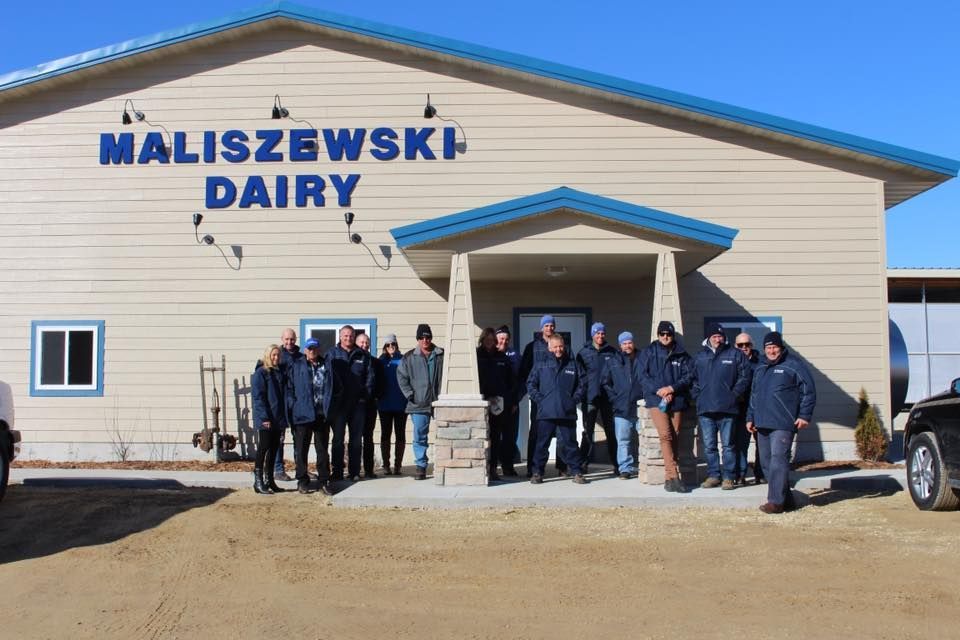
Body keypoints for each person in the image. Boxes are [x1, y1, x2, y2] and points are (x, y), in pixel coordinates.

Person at [747, 331, 817, 514]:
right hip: (762, 423)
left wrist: (804, 415)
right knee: (766, 463)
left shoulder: (793, 365)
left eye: (774, 347)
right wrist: (750, 417)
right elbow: (754, 395)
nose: (771, 351)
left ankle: (776, 502)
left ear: (781, 348)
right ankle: (787, 499)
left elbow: (808, 391)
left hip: (783, 422)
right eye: (768, 347)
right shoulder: (760, 367)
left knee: (779, 460)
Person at [691, 323, 752, 490]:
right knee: (710, 446)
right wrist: (697, 395)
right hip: (705, 409)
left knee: (728, 446)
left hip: (728, 409)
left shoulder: (735, 354)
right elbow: (692, 379)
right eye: (715, 336)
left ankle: (728, 477)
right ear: (709, 338)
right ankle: (713, 475)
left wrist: (734, 395)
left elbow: (745, 376)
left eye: (720, 336)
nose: (718, 339)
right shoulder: (700, 357)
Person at [638, 321, 694, 493]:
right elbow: (642, 376)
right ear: (658, 335)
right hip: (656, 401)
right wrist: (660, 391)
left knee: (675, 436)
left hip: (676, 399)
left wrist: (672, 389)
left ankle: (669, 480)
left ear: (672, 335)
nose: (665, 337)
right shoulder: (648, 352)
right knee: (665, 435)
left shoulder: (682, 354)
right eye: (662, 334)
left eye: (668, 334)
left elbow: (689, 376)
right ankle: (674, 475)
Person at [526, 334, 588, 485]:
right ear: (549, 347)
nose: (558, 349)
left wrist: (574, 400)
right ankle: (537, 473)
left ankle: (576, 472)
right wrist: (541, 400)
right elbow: (530, 384)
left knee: (571, 444)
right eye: (555, 347)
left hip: (567, 412)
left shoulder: (573, 365)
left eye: (561, 346)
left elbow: (583, 384)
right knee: (542, 445)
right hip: (546, 413)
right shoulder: (540, 365)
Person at [326, 325, 376, 482]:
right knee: (338, 439)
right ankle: (337, 471)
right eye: (345, 336)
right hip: (339, 406)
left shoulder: (362, 355)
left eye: (351, 336)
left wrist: (364, 396)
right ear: (340, 337)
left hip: (357, 405)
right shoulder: (332, 354)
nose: (348, 338)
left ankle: (354, 471)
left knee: (356, 440)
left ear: (355, 337)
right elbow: (326, 377)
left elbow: (370, 378)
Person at [397, 324, 444, 480]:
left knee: (443, 433)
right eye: (422, 337)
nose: (425, 340)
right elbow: (401, 377)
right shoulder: (409, 357)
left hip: (439, 402)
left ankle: (443, 464)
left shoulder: (441, 354)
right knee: (420, 436)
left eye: (428, 337)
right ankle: (421, 466)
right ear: (418, 339)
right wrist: (411, 395)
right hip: (418, 403)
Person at [286, 338, 333, 495]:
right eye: (309, 348)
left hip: (321, 414)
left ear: (318, 349)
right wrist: (294, 406)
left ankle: (324, 480)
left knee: (322, 450)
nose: (312, 351)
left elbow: (333, 386)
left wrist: (329, 405)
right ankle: (302, 480)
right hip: (302, 414)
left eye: (314, 348)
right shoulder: (297, 365)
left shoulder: (326, 364)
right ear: (305, 350)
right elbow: (289, 389)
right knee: (301, 450)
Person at [520, 315, 565, 477]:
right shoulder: (532, 347)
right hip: (540, 399)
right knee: (537, 432)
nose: (549, 328)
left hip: (558, 398)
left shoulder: (561, 346)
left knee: (561, 432)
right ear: (541, 328)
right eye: (546, 325)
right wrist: (535, 395)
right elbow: (525, 373)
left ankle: (562, 467)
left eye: (551, 325)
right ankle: (533, 469)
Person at [601, 332, 645, 480]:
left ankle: (644, 465)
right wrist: (615, 398)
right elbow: (605, 382)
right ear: (620, 345)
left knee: (644, 439)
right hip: (621, 408)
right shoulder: (613, 360)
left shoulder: (642, 358)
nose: (627, 345)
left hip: (640, 408)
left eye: (629, 342)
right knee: (623, 441)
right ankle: (625, 469)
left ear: (633, 343)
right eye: (624, 343)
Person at [576, 322, 618, 474]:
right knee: (588, 431)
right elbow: (579, 376)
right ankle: (582, 464)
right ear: (592, 334)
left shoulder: (612, 352)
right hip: (590, 398)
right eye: (597, 333)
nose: (600, 336)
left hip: (607, 398)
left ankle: (616, 464)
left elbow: (617, 374)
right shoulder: (583, 353)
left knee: (611, 432)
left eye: (602, 333)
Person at [477, 327, 515, 481]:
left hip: (498, 404)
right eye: (487, 339)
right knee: (480, 436)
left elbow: (510, 381)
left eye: (492, 340)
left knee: (495, 436)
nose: (489, 342)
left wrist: (510, 401)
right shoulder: (476, 356)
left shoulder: (502, 358)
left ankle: (493, 468)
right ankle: (481, 467)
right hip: (480, 401)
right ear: (482, 339)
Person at [251, 344, 288, 494]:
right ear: (267, 356)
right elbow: (258, 397)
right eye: (273, 355)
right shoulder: (261, 373)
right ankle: (258, 481)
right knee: (264, 447)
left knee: (274, 449)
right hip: (266, 418)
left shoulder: (279, 373)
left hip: (278, 418)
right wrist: (264, 417)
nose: (276, 358)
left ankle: (269, 480)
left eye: (278, 355)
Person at [734, 332, 763, 485]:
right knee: (741, 444)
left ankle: (761, 473)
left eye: (747, 344)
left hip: (758, 408)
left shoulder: (761, 362)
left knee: (762, 444)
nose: (744, 348)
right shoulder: (732, 362)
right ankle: (740, 475)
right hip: (740, 409)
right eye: (740, 345)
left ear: (752, 345)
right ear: (735, 346)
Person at [378, 334, 408, 475]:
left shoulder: (403, 360)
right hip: (384, 404)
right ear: (385, 346)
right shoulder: (380, 361)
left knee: (400, 434)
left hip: (401, 404)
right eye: (388, 345)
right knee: (385, 435)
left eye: (393, 344)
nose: (391, 347)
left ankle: (398, 465)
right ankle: (386, 465)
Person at [495, 325, 521, 476]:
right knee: (495, 436)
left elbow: (523, 380)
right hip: (494, 404)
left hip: (512, 404)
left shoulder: (516, 356)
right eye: (501, 338)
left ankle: (508, 466)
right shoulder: (490, 356)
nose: (504, 341)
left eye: (506, 339)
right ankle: (493, 467)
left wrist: (516, 400)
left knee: (510, 436)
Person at [356, 333, 383, 479]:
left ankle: (368, 470)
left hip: (371, 405)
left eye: (367, 343)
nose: (365, 345)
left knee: (368, 438)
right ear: (357, 343)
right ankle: (354, 471)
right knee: (355, 438)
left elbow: (381, 383)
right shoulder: (353, 360)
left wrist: (376, 397)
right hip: (355, 405)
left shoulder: (376, 362)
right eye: (362, 342)